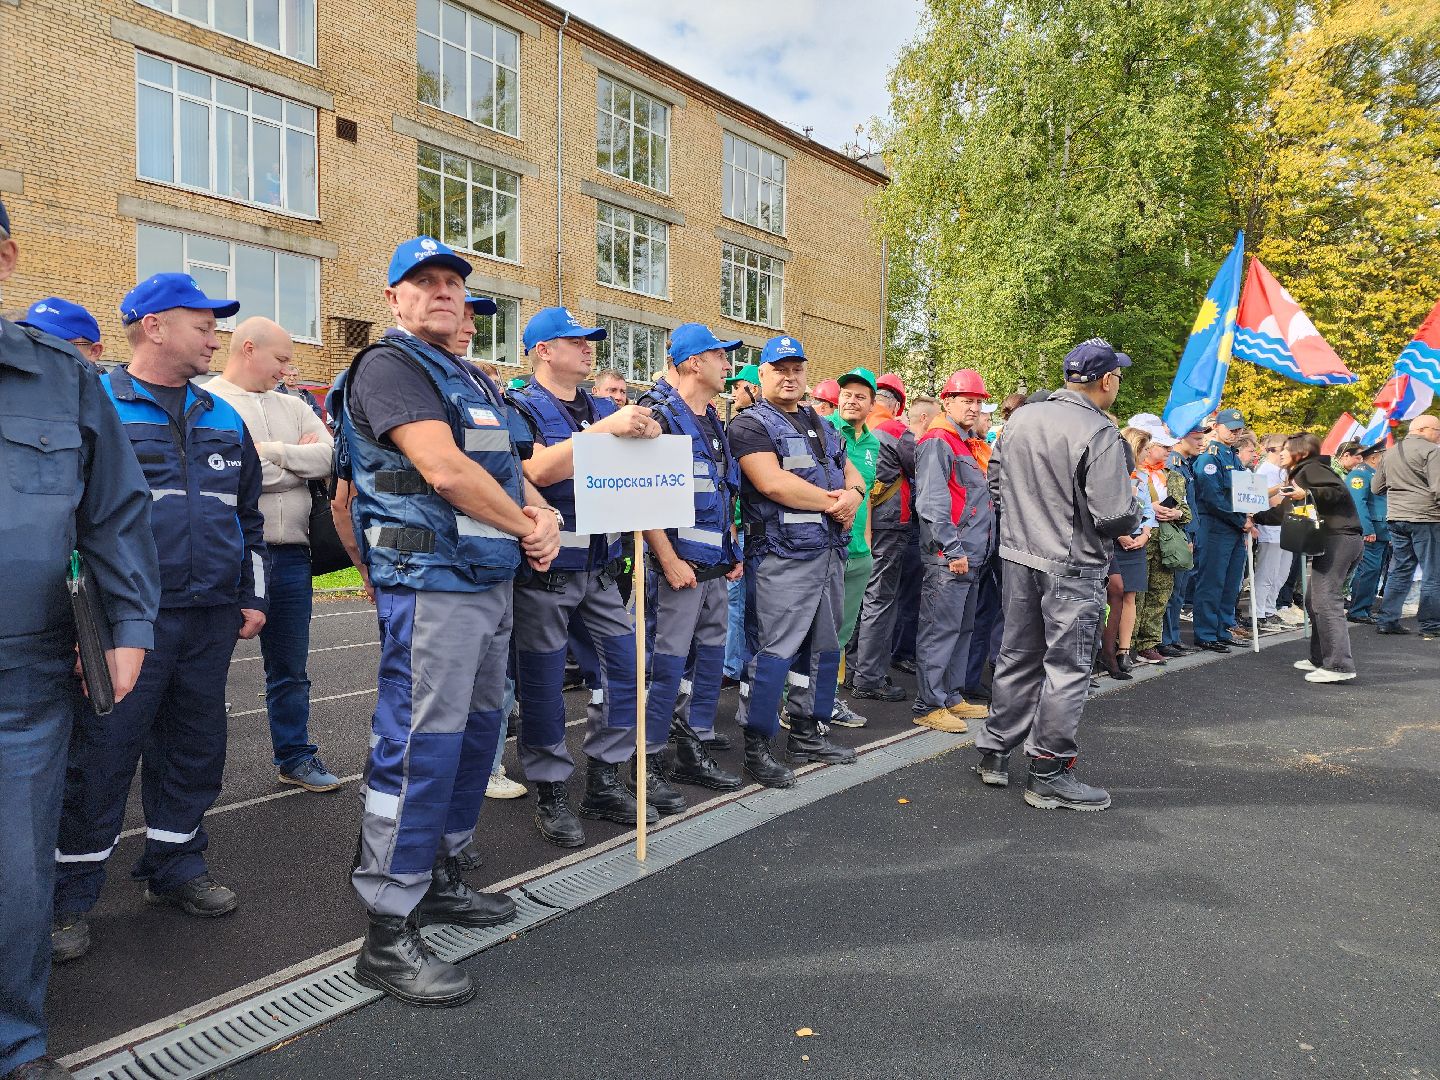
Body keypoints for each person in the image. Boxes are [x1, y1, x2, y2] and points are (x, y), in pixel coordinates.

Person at [331, 237, 558, 1006]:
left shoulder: (472, 378)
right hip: (431, 586)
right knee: (417, 748)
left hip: (485, 582)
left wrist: (542, 510)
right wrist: (529, 528)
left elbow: (506, 469)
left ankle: (442, 875)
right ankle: (387, 930)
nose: (441, 293)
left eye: (452, 284)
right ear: (393, 299)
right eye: (422, 282)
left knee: (474, 736)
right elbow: (443, 470)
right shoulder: (390, 366)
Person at [53, 273, 269, 960]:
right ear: (153, 326)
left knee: (195, 748)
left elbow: (252, 519)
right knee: (101, 757)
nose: (216, 335)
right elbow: (67, 524)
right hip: (125, 624)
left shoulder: (224, 416)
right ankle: (68, 898)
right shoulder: (98, 406)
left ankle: (175, 867)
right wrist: (84, 622)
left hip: (209, 619)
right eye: (202, 323)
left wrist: (253, 595)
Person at [0, 197, 159, 1080]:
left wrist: (129, 627)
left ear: (8, 257)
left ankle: (13, 1044)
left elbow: (115, 516)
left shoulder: (63, 377)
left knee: (15, 877)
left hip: (21, 675)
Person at [507, 307, 665, 846]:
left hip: (602, 569)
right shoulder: (521, 406)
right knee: (545, 683)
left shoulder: (601, 404)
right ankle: (550, 788)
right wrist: (609, 428)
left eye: (590, 340)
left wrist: (648, 430)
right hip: (548, 570)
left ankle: (605, 776)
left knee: (625, 667)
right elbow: (535, 471)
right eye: (575, 340)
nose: (589, 347)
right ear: (543, 350)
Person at [974, 339, 1139, 811]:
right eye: (1117, 378)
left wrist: (1021, 526)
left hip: (1020, 553)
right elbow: (1111, 515)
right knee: (1067, 667)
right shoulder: (1100, 432)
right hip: (1072, 562)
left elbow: (997, 483)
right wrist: (1134, 520)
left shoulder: (1020, 418)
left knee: (1017, 653)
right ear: (1106, 381)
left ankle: (995, 749)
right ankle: (1048, 769)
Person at [208, 318, 340, 792]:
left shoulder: (296, 404)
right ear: (248, 349)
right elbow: (230, 478)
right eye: (281, 359)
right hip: (232, 555)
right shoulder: (211, 401)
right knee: (204, 669)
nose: (287, 370)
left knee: (290, 667)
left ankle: (295, 756)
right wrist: (293, 464)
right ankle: (197, 771)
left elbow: (332, 459)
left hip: (291, 557)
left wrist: (269, 452)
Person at [729, 335, 864, 785]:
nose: (790, 377)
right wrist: (835, 503)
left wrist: (853, 494)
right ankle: (758, 745)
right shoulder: (750, 424)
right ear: (762, 374)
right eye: (780, 369)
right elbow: (772, 483)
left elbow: (853, 472)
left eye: (797, 369)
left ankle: (808, 729)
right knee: (774, 652)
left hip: (827, 554)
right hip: (781, 557)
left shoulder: (818, 421)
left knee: (823, 648)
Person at [636, 324, 744, 792]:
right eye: (720, 356)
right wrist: (667, 557)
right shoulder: (659, 415)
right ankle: (651, 759)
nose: (728, 364)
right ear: (694, 362)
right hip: (677, 569)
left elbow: (723, 493)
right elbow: (637, 497)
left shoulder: (714, 421)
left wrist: (731, 548)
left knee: (710, 657)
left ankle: (692, 742)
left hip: (714, 565)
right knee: (667, 662)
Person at [911, 369, 995, 732]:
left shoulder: (963, 441)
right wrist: (952, 548)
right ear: (947, 401)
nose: (974, 407)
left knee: (961, 628)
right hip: (952, 554)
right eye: (967, 400)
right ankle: (929, 702)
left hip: (970, 552)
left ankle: (950, 696)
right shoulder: (939, 441)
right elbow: (931, 502)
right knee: (940, 629)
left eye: (978, 401)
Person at [851, 373, 916, 703]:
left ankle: (852, 667)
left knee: (860, 597)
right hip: (890, 524)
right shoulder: (895, 430)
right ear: (898, 403)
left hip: (861, 521)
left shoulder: (855, 429)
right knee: (881, 599)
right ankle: (870, 676)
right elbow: (919, 465)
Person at [825, 367, 881, 728]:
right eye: (846, 393)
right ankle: (790, 702)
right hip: (826, 549)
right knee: (814, 631)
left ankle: (825, 699)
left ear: (871, 404)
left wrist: (869, 543)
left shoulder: (873, 444)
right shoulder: (823, 431)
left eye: (860, 395)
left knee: (842, 633)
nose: (851, 399)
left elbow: (868, 499)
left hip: (858, 551)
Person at [1283, 433, 1364, 681]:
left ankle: (1338, 665)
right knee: (1313, 599)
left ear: (1301, 452)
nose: (1281, 453)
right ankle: (1320, 657)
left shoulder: (1311, 470)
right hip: (1340, 539)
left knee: (1326, 600)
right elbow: (1286, 510)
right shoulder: (1309, 471)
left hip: (1338, 540)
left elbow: (1336, 492)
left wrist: (1308, 492)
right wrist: (1254, 516)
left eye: (1285, 449)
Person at [1191, 408, 1254, 652]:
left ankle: (1222, 628)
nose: (1235, 433)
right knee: (1212, 582)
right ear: (1216, 427)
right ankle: (1206, 632)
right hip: (1216, 527)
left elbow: (1243, 491)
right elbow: (1213, 498)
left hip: (1235, 527)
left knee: (1230, 583)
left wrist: (1249, 512)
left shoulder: (1232, 457)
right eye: (1231, 429)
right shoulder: (1210, 457)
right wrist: (1240, 520)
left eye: (1239, 429)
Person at [1373, 414, 1440, 638]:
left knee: (1400, 571)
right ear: (1423, 429)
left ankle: (1387, 620)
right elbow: (1438, 489)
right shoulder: (1432, 451)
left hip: (1397, 517)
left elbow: (1376, 488)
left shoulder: (1391, 452)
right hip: (1426, 518)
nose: (1438, 435)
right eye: (1437, 430)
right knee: (1433, 573)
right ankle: (1430, 625)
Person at [1131, 418, 1189, 664]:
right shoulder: (1133, 471)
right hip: (1141, 537)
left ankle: (1149, 643)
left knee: (1160, 593)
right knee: (1136, 594)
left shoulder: (1174, 477)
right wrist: (1148, 507)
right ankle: (1129, 643)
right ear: (1149, 445)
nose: (1169, 451)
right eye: (1164, 447)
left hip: (1166, 539)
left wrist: (1176, 513)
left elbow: (1186, 511)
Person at [1099, 425, 1154, 675]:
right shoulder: (1113, 474)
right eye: (1144, 450)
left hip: (1136, 539)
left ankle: (1123, 650)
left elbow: (1148, 511)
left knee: (1129, 595)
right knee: (1112, 594)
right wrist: (1120, 534)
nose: (1147, 455)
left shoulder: (1142, 479)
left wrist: (1145, 534)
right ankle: (1103, 651)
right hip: (1113, 540)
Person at [892, 395, 939, 672]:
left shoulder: (909, 441)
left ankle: (901, 650)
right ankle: (902, 652)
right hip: (909, 526)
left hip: (907, 524)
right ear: (924, 418)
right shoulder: (912, 442)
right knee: (909, 593)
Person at [722, 362, 761, 683]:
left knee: (738, 601)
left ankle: (732, 666)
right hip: (747, 531)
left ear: (754, 390)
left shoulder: (744, 428)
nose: (733, 392)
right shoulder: (742, 425)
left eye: (739, 387)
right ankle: (739, 664)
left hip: (745, 531)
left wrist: (732, 533)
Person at [1160, 423, 1206, 653]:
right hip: (1180, 531)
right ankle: (1166, 639)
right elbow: (1173, 504)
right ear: (1181, 438)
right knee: (1172, 590)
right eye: (1196, 438)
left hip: (1190, 529)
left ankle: (1172, 636)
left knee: (1178, 589)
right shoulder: (1174, 465)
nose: (1202, 442)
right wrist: (1185, 532)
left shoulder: (1185, 464)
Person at [1252, 434, 1297, 628]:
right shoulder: (1264, 470)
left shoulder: (1283, 471)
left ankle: (1270, 608)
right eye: (1282, 449)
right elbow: (1271, 501)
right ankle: (1259, 612)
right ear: (1271, 450)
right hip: (1269, 527)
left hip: (1285, 527)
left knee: (1281, 573)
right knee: (1266, 573)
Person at [1345, 443, 1389, 624]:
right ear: (1374, 457)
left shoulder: (1374, 474)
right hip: (1371, 531)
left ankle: (1365, 608)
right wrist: (1367, 529)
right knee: (1368, 570)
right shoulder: (1359, 475)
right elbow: (1358, 504)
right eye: (1383, 455)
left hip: (1382, 531)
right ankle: (1357, 610)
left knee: (1374, 571)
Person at [18, 297, 105, 369]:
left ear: (94, 351)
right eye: (29, 338)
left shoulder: (108, 389)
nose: (37, 350)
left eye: (55, 344)